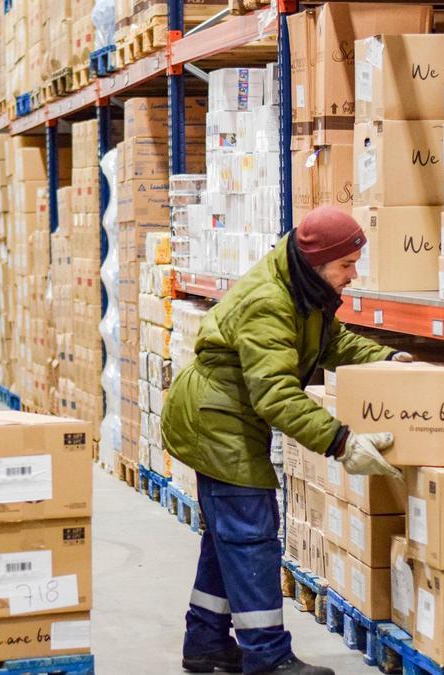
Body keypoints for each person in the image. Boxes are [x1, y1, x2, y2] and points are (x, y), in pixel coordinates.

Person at [162, 206, 411, 674]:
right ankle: (268, 659)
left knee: (227, 539)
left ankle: (206, 645)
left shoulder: (303, 289)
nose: (353, 275)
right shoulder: (270, 302)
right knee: (252, 536)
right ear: (319, 263)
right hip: (217, 423)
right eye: (347, 265)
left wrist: (387, 359)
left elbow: (333, 343)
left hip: (229, 414)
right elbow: (275, 394)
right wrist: (340, 442)